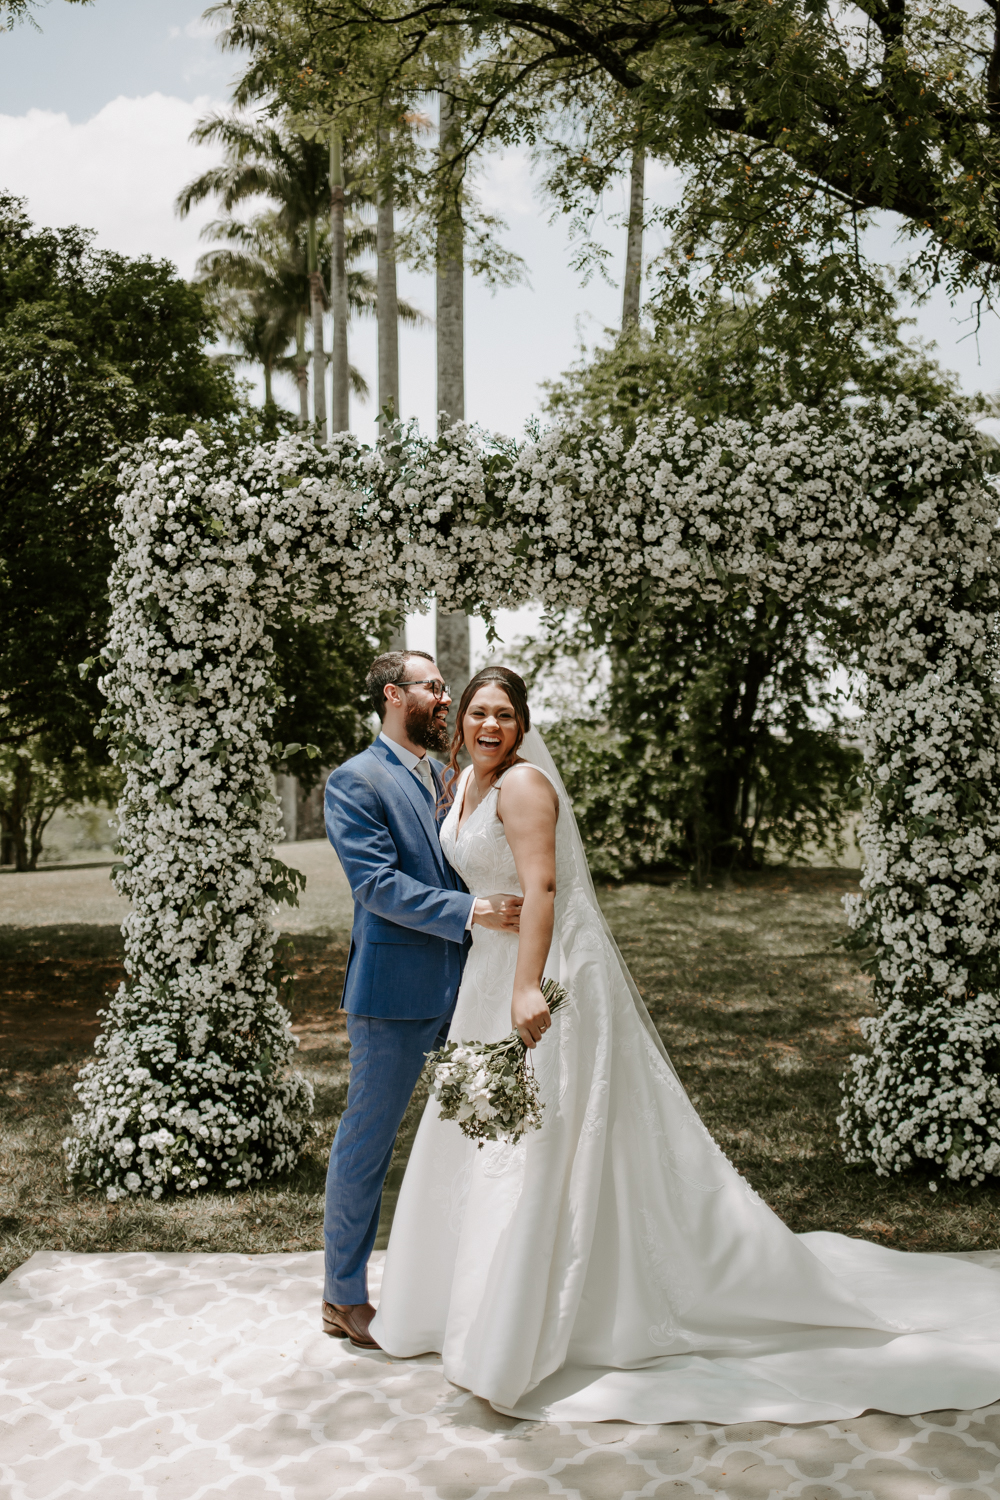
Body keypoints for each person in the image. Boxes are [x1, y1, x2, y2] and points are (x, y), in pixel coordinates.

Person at [370, 665, 1000, 1424]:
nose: (491, 725)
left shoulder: (523, 786)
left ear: (523, 722)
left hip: (546, 974)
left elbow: (543, 889)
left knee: (542, 1140)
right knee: (491, 1137)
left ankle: (528, 1322)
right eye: (478, 712)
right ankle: (460, 1302)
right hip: (489, 971)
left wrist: (525, 986)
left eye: (505, 714)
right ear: (460, 718)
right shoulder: (463, 784)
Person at [321, 650, 523, 1349]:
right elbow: (376, 886)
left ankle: (456, 1288)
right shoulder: (354, 781)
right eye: (434, 687)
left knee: (469, 1141)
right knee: (367, 1147)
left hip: (469, 990)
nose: (445, 698)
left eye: (444, 689)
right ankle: (342, 1297)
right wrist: (474, 915)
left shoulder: (448, 776)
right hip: (394, 995)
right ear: (391, 694)